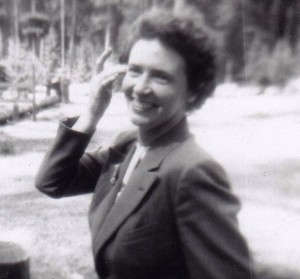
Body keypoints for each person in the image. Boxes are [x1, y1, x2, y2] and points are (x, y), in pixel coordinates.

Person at [35, 8, 252, 279]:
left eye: (160, 76)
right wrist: (92, 113)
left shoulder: (192, 171)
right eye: (135, 71)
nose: (140, 87)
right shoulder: (128, 146)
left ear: (193, 90)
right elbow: (52, 182)